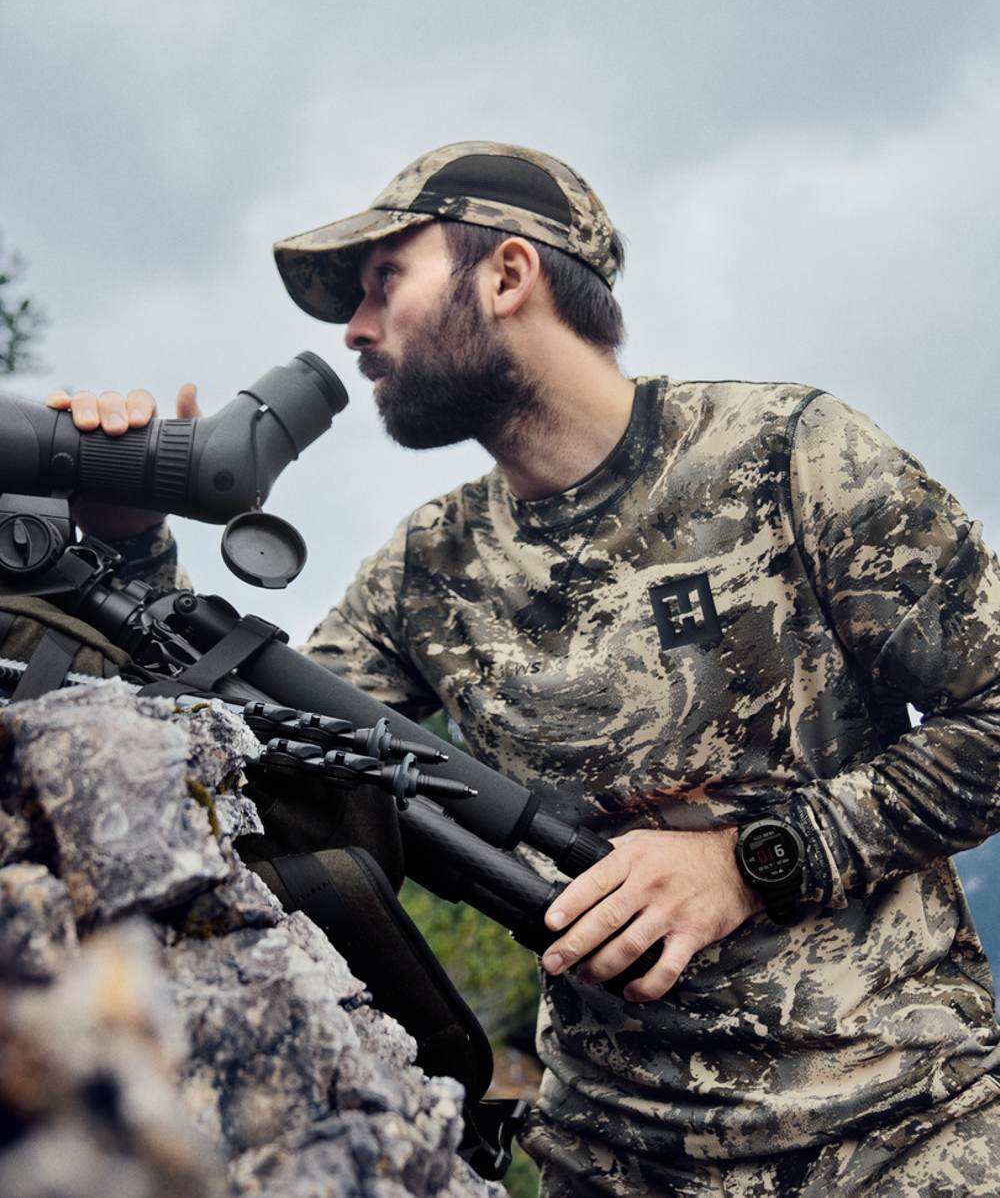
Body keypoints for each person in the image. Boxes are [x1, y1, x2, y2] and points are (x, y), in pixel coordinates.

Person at [51, 141, 1000, 1196]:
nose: (355, 331)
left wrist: (750, 859)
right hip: (608, 1160)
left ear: (507, 274)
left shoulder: (786, 451)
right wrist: (128, 540)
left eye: (382, 283)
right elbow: (243, 770)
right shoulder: (430, 562)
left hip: (905, 1137)